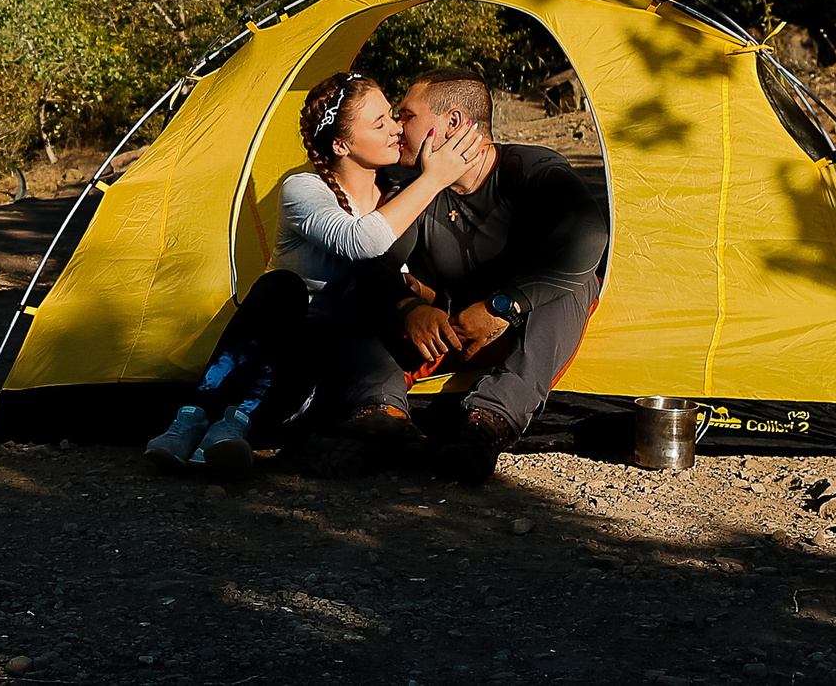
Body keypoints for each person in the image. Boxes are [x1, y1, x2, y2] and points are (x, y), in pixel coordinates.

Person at [143, 70, 483, 476]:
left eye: (393, 116)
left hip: (326, 370)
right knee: (282, 288)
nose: (397, 129)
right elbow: (361, 242)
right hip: (272, 349)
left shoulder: (402, 190)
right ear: (341, 144)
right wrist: (433, 179)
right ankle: (197, 422)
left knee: (343, 321)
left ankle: (231, 429)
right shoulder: (302, 190)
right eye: (380, 123)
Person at [340, 66, 609, 484]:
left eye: (406, 116)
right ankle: (381, 414)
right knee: (364, 288)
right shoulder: (418, 185)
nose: (396, 128)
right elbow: (377, 261)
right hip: (454, 331)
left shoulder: (529, 170)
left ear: (452, 123)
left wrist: (506, 305)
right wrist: (409, 307)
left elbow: (591, 236)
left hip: (526, 329)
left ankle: (487, 422)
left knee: (576, 285)